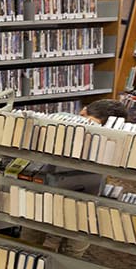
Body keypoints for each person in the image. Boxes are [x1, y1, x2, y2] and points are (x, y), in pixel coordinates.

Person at [20, 98, 128, 257]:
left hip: (87, 191)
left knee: (78, 237)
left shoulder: (120, 137)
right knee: (33, 230)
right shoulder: (59, 121)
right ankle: (26, 261)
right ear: (82, 112)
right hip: (46, 185)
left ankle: (67, 266)